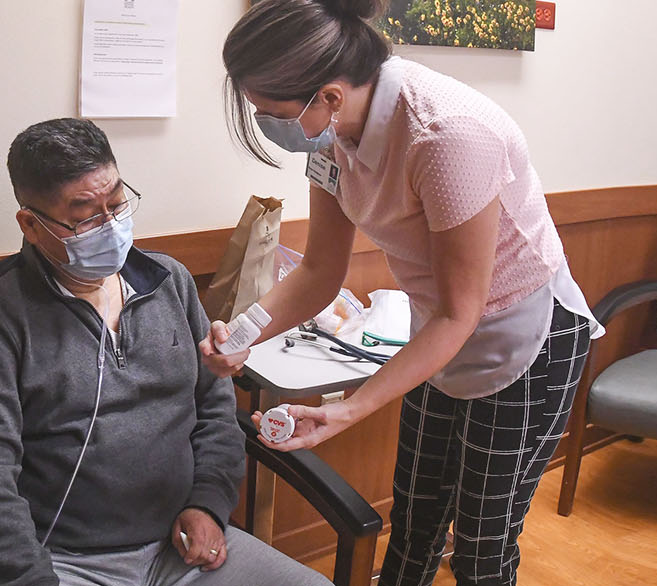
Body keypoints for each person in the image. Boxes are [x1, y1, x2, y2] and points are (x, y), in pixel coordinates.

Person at [206, 1, 605, 585]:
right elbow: (319, 270)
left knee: (481, 548)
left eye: (272, 111)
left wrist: (351, 407)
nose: (265, 121)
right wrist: (242, 335)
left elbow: (459, 310)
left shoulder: (446, 135)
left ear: (330, 95)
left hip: (527, 335)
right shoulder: (330, 137)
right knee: (414, 522)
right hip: (439, 330)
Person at [0, 118, 330, 586]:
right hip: (65, 561)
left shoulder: (168, 282)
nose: (109, 226)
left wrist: (207, 503)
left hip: (180, 543)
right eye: (85, 215)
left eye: (118, 204)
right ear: (32, 224)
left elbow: (215, 411)